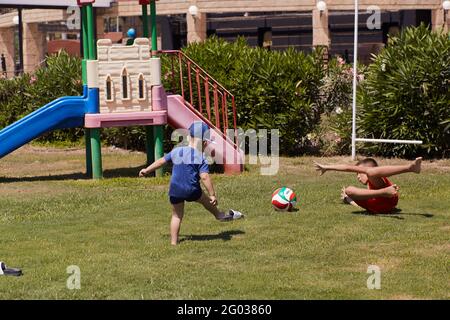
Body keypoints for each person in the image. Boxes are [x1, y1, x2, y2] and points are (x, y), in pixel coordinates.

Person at [139, 121, 244, 245]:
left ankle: (173, 242)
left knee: (176, 215)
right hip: (191, 190)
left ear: (188, 137)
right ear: (204, 143)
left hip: (175, 190)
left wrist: (147, 170)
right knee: (205, 200)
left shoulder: (177, 151)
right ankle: (218, 214)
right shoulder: (200, 157)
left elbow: (161, 161)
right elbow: (204, 177)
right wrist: (212, 194)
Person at [313, 157, 422, 214]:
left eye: (359, 173)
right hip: (377, 207)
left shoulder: (377, 180)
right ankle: (384, 192)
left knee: (371, 173)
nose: (358, 177)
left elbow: (347, 167)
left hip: (388, 200)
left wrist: (327, 167)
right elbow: (363, 205)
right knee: (349, 190)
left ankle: (410, 168)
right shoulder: (368, 190)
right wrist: (349, 200)